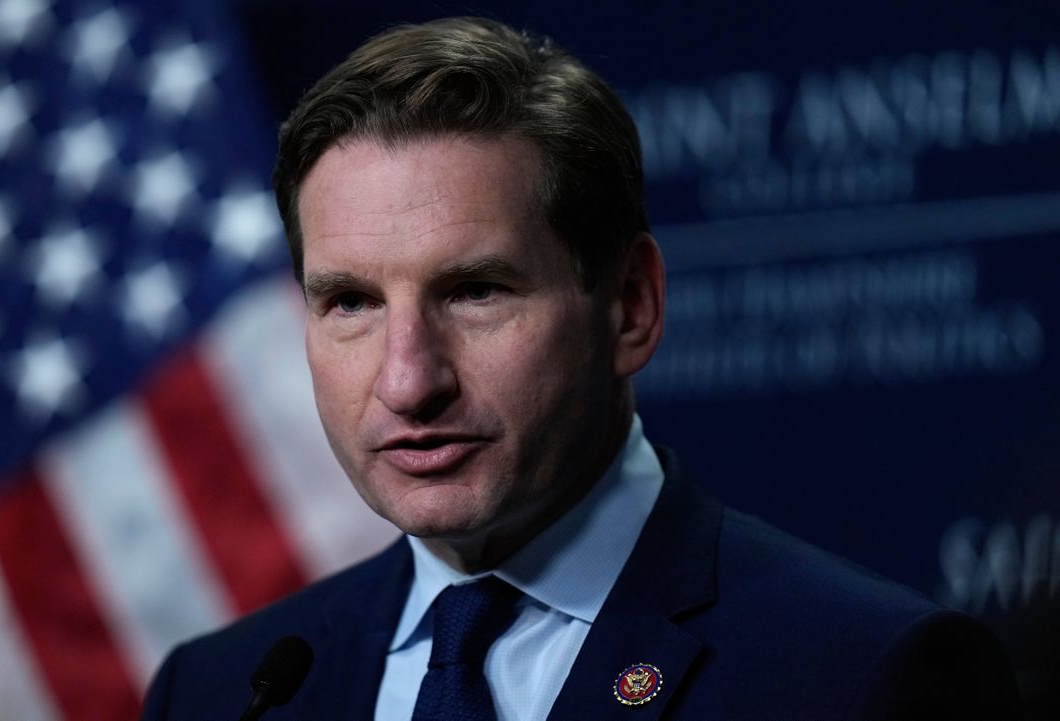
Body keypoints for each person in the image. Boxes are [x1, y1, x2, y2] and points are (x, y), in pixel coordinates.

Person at [140, 17, 1021, 720]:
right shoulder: (225, 691)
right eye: (350, 303)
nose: (407, 381)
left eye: (476, 290)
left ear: (630, 307)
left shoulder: (861, 676)